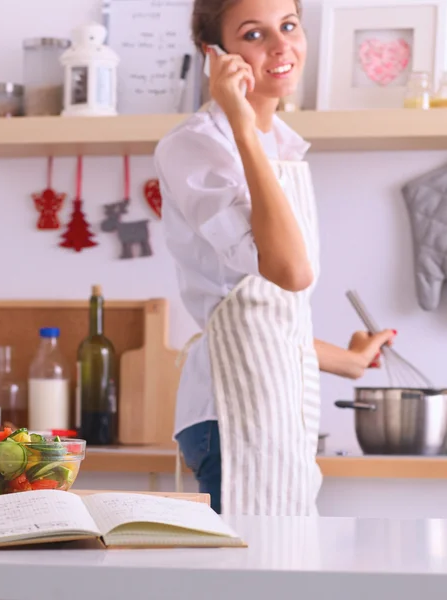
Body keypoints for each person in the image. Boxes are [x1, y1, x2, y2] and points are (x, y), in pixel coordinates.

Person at [154, 0, 395, 516]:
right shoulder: (196, 146)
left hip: (279, 402)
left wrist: (349, 361)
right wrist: (241, 124)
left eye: (288, 26)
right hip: (232, 414)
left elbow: (262, 318)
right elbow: (291, 271)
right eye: (254, 35)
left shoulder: (281, 146)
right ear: (214, 54)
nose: (281, 45)